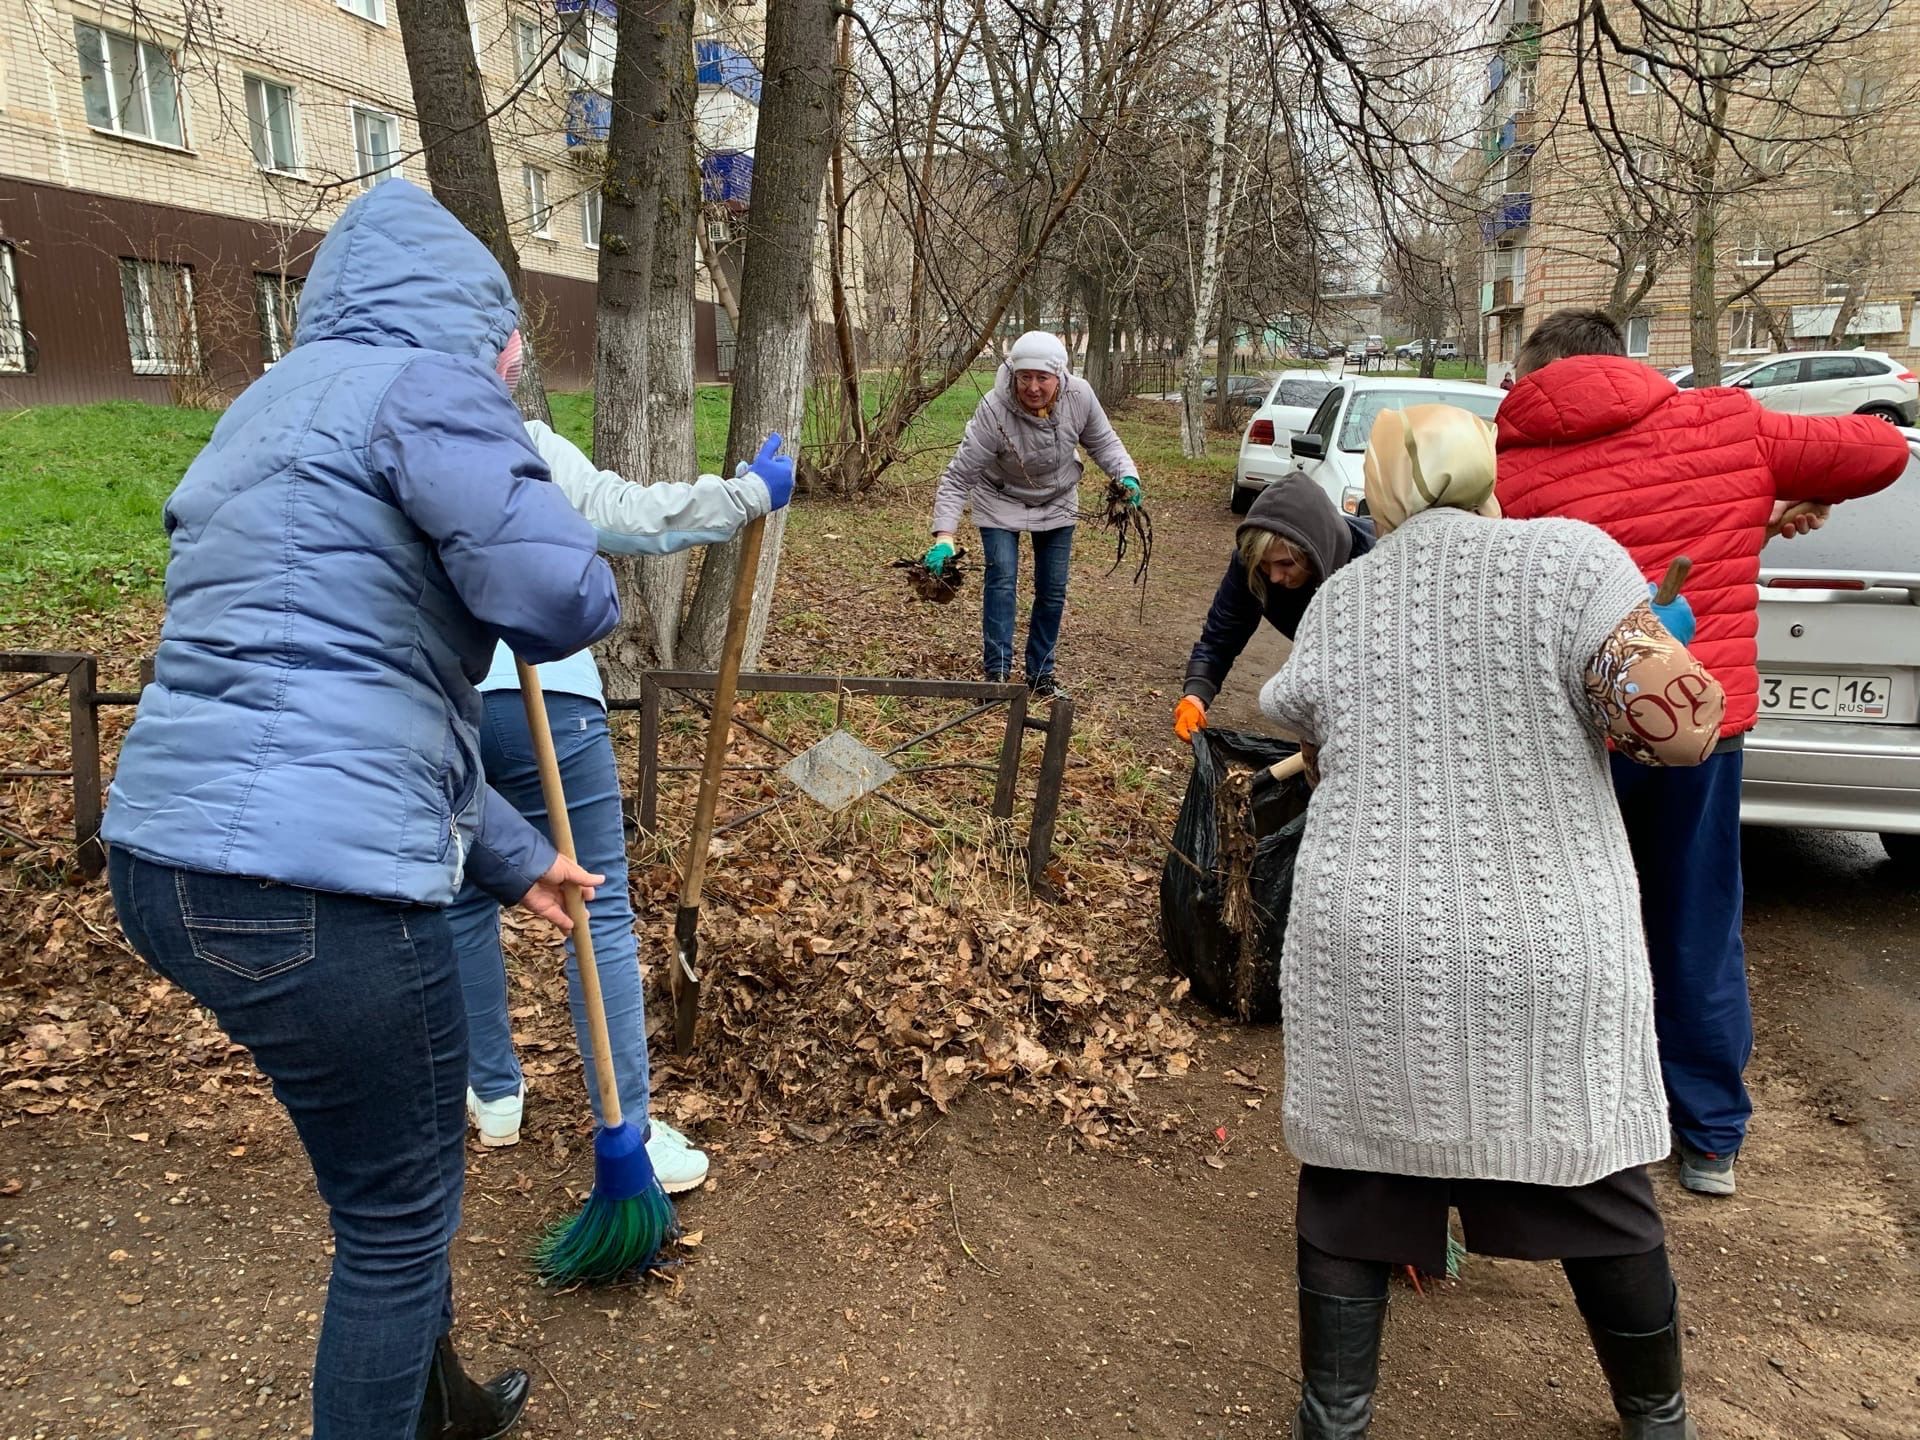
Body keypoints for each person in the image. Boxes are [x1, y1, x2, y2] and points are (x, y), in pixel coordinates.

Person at [102, 179, 615, 1440]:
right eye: (505, 345)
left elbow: (335, 694)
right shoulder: (430, 389)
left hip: (171, 865)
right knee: (394, 1224)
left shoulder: (266, 409)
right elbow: (561, 599)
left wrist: (514, 858)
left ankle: (435, 1407)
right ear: (472, 320)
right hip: (313, 893)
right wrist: (511, 435)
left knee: (392, 1182)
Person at [1262, 403, 1726, 1439]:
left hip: (1367, 939)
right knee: (1596, 1184)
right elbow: (1686, 727)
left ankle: (1333, 1422)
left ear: (1379, 492)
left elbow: (1296, 719)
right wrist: (1646, 649)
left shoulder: (1344, 598)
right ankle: (1658, 1419)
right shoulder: (1571, 562)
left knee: (1353, 1187)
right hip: (1543, 938)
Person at [1495, 307, 1908, 1196]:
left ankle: (1572, 1119)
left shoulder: (1506, 458)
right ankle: (1709, 1135)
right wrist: (1770, 493)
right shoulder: (1726, 420)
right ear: (1623, 360)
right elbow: (1881, 452)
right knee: (1694, 918)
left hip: (1571, 730)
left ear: (1536, 373)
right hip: (1695, 725)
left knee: (1569, 925)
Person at [453, 424, 794, 1195]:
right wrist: (745, 495)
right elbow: (623, 513)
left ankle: (495, 1094)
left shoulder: (382, 428)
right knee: (594, 906)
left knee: (460, 897)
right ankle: (628, 1128)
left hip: (446, 697)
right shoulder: (517, 435)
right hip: (551, 691)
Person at [926, 330, 1142, 696]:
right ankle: (996, 675)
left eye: (1042, 378)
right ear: (1013, 375)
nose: (1033, 387)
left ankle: (1041, 674)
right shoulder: (994, 410)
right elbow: (959, 476)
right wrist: (945, 538)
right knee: (1002, 581)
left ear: (1060, 376)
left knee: (1052, 590)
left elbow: (1103, 442)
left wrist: (1127, 477)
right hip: (1000, 499)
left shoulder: (1080, 396)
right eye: (1025, 377)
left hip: (1056, 500)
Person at [1172, 472, 1373, 742]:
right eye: (1266, 565)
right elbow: (1222, 634)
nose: (1275, 577)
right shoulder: (1254, 565)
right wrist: (1196, 694)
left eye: (1286, 564)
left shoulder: (1372, 565)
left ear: (1314, 552)